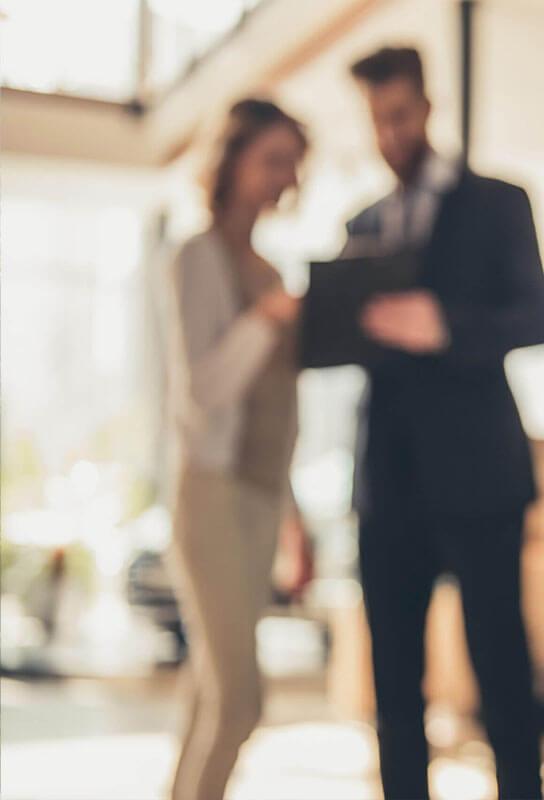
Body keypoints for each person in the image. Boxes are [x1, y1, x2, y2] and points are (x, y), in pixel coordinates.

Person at [343, 46, 544, 800]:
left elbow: (535, 318)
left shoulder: (500, 202)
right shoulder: (360, 222)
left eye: (399, 115)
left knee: (501, 675)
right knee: (395, 690)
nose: (390, 134)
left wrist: (445, 325)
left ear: (426, 108)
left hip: (482, 482)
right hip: (387, 488)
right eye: (376, 121)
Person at [162, 98, 306, 800]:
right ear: (233, 162)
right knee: (241, 702)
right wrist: (265, 320)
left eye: (292, 164)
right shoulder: (198, 256)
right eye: (271, 161)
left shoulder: (270, 271)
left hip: (259, 494)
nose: (284, 177)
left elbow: (276, 412)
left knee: (208, 696)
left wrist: (293, 517)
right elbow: (204, 389)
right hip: (211, 492)